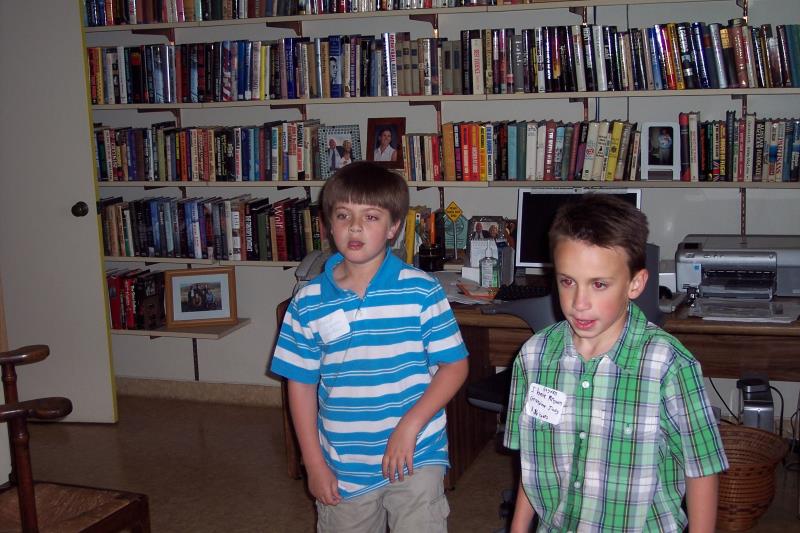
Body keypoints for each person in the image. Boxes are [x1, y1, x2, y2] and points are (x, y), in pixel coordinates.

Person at [504, 193, 728, 533]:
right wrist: (518, 528)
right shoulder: (534, 357)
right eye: (567, 281)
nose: (579, 302)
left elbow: (702, 469)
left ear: (635, 284)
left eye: (599, 284)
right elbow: (533, 462)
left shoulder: (669, 366)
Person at [270, 161, 469, 533]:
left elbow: (454, 366)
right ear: (329, 224)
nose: (355, 226)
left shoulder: (421, 290)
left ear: (394, 227)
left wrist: (409, 426)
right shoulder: (307, 303)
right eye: (343, 215)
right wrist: (313, 463)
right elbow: (300, 384)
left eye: (371, 217)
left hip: (416, 450)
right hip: (344, 462)